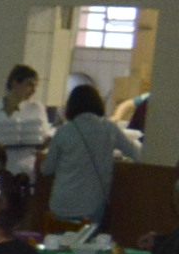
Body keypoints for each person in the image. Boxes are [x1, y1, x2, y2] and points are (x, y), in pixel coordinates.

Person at [42, 82, 147, 227]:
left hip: (61, 203)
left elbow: (46, 169)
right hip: (91, 206)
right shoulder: (109, 129)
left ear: (71, 105)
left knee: (59, 244)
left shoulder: (64, 131)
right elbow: (137, 153)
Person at [0, 65, 54, 186]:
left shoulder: (36, 109)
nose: (33, 90)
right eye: (29, 85)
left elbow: (43, 139)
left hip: (22, 171)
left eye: (35, 86)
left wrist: (48, 140)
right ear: (15, 83)